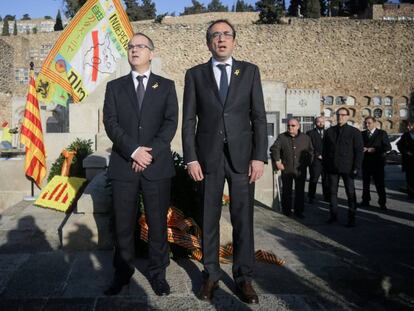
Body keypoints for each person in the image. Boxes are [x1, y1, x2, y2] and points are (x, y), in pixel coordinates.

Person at [182, 19, 267, 304]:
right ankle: (211, 274)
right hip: (208, 159)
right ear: (208, 42)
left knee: (243, 219)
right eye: (215, 35)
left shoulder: (250, 72)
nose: (221, 39)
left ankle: (244, 278)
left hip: (243, 160)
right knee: (209, 218)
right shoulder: (195, 75)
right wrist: (191, 158)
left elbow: (258, 117)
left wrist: (259, 156)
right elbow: (188, 121)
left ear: (234, 40)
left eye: (226, 34)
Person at [103, 33, 178, 296]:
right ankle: (123, 272)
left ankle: (158, 274)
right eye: (131, 46)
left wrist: (149, 153)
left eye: (141, 46)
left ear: (151, 53)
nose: (135, 50)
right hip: (124, 165)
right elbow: (110, 123)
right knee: (123, 224)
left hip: (156, 167)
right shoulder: (115, 87)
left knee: (158, 224)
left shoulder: (167, 86)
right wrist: (133, 151)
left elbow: (170, 124)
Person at [323, 108, 363, 227]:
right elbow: (325, 150)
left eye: (343, 115)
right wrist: (325, 165)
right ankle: (333, 215)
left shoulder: (354, 132)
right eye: (338, 114)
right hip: (332, 168)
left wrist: (356, 167)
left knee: (350, 193)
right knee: (332, 193)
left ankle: (352, 217)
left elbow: (359, 151)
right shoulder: (329, 131)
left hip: (348, 168)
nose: (340, 117)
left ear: (347, 117)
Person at [270, 118, 314, 218]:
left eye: (293, 126)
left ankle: (299, 211)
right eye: (289, 125)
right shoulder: (282, 137)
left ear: (298, 126)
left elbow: (311, 152)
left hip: (300, 170)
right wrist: (277, 161)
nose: (290, 127)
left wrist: (306, 164)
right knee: (286, 191)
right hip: (287, 168)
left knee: (300, 191)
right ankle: (287, 211)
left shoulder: (305, 138)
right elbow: (274, 149)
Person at [360, 117, 391, 210]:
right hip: (365, 162)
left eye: (369, 123)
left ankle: (382, 203)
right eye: (365, 123)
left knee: (379, 184)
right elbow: (359, 145)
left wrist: (375, 149)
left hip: (378, 163)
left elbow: (387, 147)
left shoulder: (381, 133)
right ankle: (365, 200)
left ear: (374, 123)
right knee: (365, 184)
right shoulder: (362, 134)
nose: (367, 125)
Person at [306, 116, 329, 203]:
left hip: (326, 161)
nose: (321, 123)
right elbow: (309, 146)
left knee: (326, 180)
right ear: (315, 123)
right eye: (319, 122)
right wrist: (317, 155)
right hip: (315, 161)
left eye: (322, 122)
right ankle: (311, 197)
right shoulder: (310, 133)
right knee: (314, 179)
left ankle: (327, 197)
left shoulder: (328, 133)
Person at [397, 120, 414, 199]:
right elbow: (399, 145)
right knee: (409, 177)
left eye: (410, 126)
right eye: (407, 126)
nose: (408, 127)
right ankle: (410, 193)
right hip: (408, 160)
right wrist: (406, 152)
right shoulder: (405, 135)